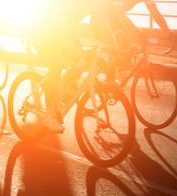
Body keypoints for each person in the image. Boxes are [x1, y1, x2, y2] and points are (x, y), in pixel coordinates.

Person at [28, 0, 115, 133]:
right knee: (55, 64)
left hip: (63, 30)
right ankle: (50, 115)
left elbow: (102, 25)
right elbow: (56, 22)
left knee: (82, 58)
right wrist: (73, 49)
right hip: (42, 31)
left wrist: (112, 48)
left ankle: (64, 87)